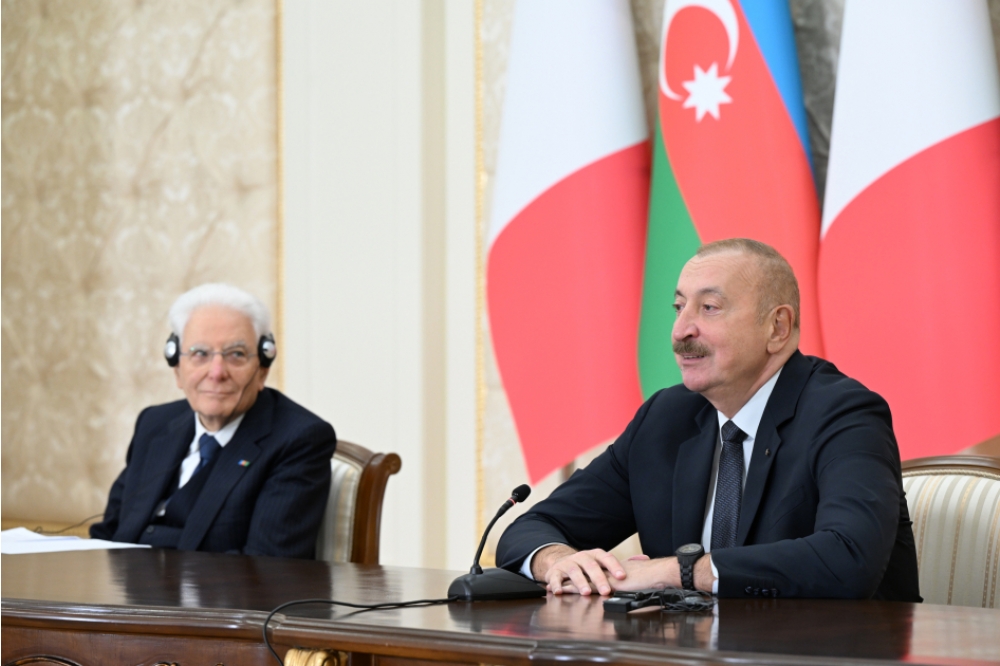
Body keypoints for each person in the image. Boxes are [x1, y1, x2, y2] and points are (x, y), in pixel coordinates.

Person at [496, 239, 921, 600]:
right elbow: (533, 527)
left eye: (709, 308)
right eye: (679, 307)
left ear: (777, 327)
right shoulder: (666, 418)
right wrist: (560, 560)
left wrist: (677, 571)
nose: (681, 331)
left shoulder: (844, 414)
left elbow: (849, 558)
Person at [90, 283, 336, 559]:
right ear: (177, 368)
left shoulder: (298, 439)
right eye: (200, 354)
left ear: (262, 370)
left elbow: (267, 566)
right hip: (123, 584)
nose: (217, 373)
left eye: (236, 354)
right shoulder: (155, 424)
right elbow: (108, 534)